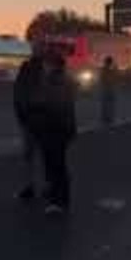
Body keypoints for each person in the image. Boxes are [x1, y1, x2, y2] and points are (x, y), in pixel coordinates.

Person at [32, 51, 77, 216]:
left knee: (56, 166)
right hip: (61, 129)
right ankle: (57, 197)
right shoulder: (64, 80)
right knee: (57, 165)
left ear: (52, 65)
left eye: (46, 64)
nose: (44, 67)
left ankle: (59, 201)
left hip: (55, 130)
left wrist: (38, 106)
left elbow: (52, 106)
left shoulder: (55, 81)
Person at [13, 41, 46, 201]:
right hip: (42, 118)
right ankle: (45, 186)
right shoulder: (47, 69)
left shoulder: (26, 67)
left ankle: (30, 187)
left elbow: (18, 92)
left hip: (29, 118)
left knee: (29, 156)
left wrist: (20, 114)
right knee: (44, 155)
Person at [100, 56, 117, 127]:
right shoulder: (107, 70)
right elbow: (105, 79)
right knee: (108, 104)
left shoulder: (106, 69)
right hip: (108, 88)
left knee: (107, 104)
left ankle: (107, 117)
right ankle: (108, 118)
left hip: (108, 88)